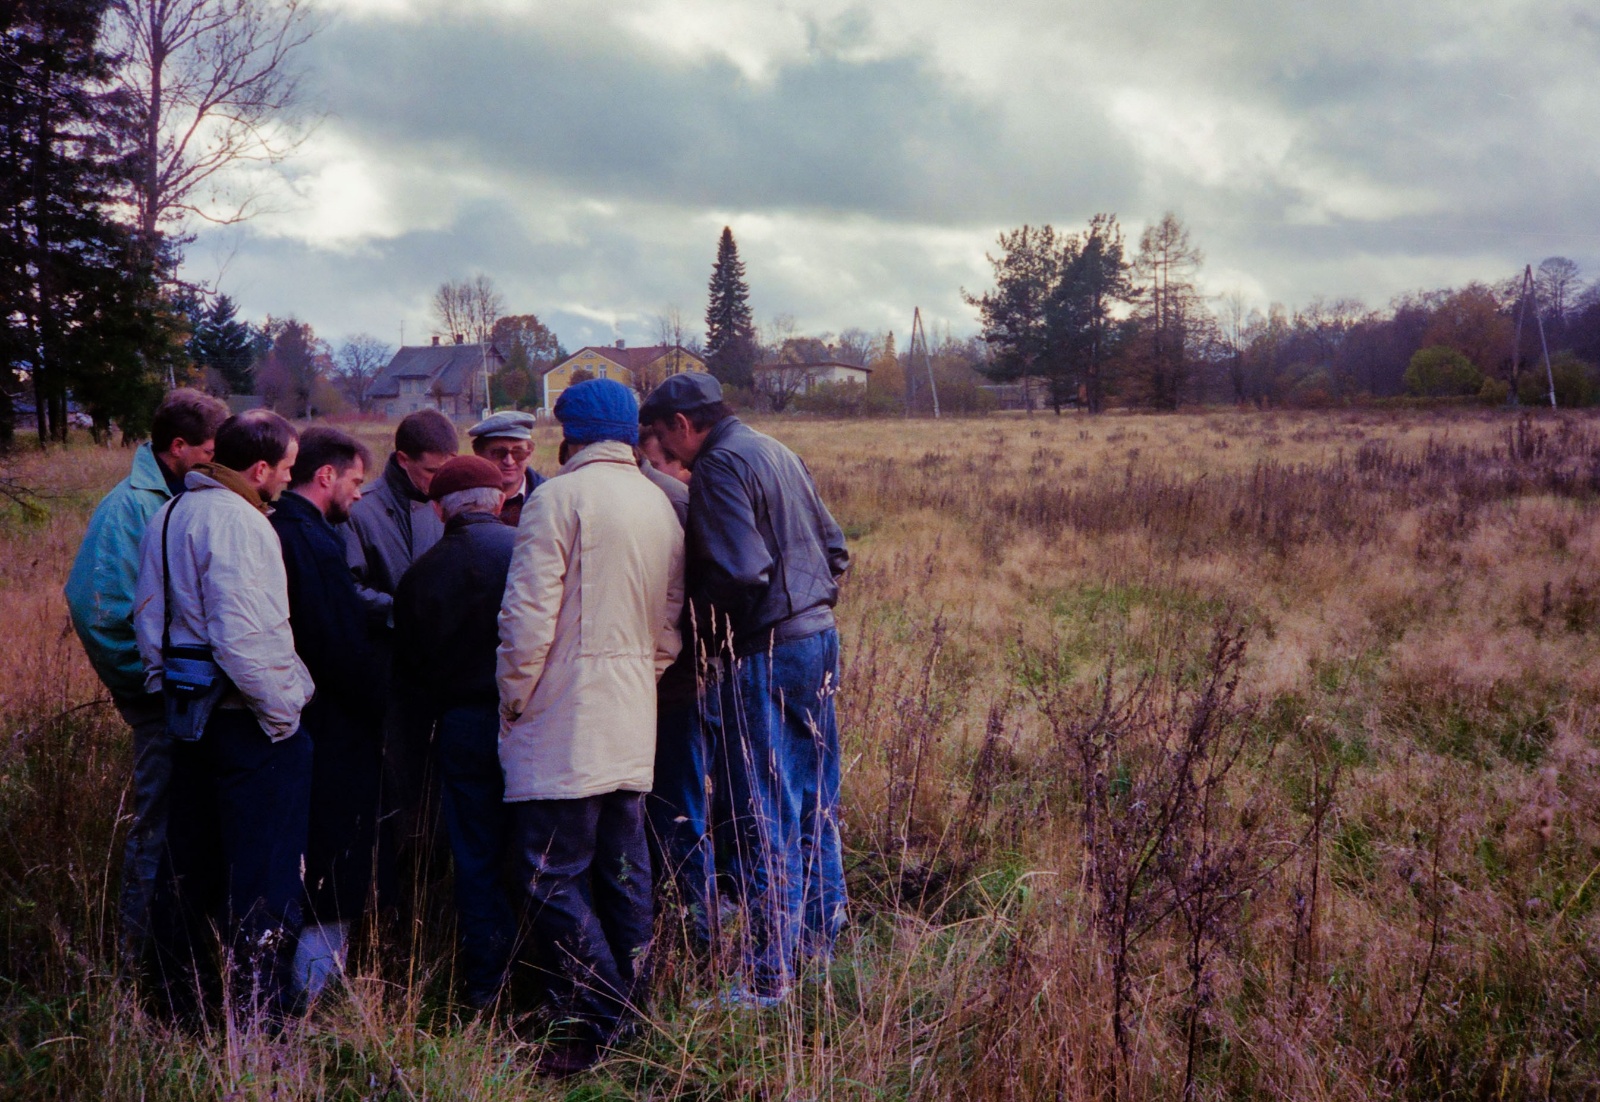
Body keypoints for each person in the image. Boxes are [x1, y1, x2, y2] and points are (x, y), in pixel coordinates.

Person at [639, 372, 851, 1005]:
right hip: (818, 640)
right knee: (812, 795)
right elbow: (835, 551)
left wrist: (701, 639)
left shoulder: (721, 465)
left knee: (763, 810)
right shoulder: (774, 448)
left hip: (766, 649)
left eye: (659, 437)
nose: (661, 452)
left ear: (682, 424)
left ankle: (768, 979)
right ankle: (819, 938)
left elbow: (739, 571)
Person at [497, 379, 684, 1075]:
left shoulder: (557, 499)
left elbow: (525, 622)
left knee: (548, 875)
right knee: (624, 873)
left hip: (562, 723)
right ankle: (635, 1011)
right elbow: (669, 629)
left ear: (568, 434)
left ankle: (608, 1014)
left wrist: (514, 701)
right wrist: (638, 680)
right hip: (632, 720)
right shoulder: (658, 502)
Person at [132, 410, 314, 1022]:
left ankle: (178, 1006)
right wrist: (285, 714)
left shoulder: (170, 513)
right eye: (287, 469)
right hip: (246, 722)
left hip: (189, 718)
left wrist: (166, 691)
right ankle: (260, 1020)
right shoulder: (238, 521)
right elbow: (244, 638)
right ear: (259, 468)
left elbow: (147, 621)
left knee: (189, 872)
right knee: (262, 880)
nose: (289, 481)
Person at [64, 387, 229, 970]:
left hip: (198, 699)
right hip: (166, 703)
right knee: (156, 827)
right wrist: (148, 689)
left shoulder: (187, 492)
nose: (219, 461)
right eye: (210, 450)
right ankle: (135, 962)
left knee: (192, 824)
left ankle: (185, 953)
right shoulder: (130, 506)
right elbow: (95, 608)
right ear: (178, 447)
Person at [391, 455, 518, 1010]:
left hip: (461, 725)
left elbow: (411, 671)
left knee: (476, 852)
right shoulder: (525, 554)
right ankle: (549, 975)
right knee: (540, 847)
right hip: (530, 720)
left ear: (440, 509)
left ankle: (489, 984)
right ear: (498, 501)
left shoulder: (420, 574)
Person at [268, 426, 382, 1000]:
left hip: (292, 721)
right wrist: (381, 700)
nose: (360, 495)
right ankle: (310, 991)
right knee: (338, 856)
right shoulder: (312, 541)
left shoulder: (274, 528)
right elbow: (339, 640)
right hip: (332, 724)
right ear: (327, 476)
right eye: (356, 481)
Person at [343, 408, 459, 902]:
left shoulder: (443, 506)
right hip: (386, 678)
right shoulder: (361, 510)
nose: (440, 481)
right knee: (395, 791)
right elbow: (345, 590)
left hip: (439, 680)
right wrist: (406, 613)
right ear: (402, 459)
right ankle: (388, 899)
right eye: (431, 471)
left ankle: (430, 897)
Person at [467, 410, 545, 526]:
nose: (509, 461)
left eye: (518, 452)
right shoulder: (463, 497)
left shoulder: (547, 496)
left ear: (529, 453)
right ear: (479, 453)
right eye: (498, 452)